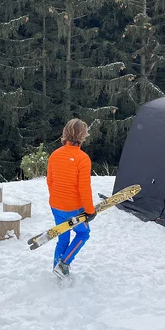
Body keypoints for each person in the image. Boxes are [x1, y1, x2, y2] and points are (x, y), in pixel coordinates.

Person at [46, 118, 97, 278]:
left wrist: (57, 199)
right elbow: (84, 188)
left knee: (63, 239)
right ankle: (64, 263)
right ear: (83, 136)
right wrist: (90, 211)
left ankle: (57, 269)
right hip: (74, 209)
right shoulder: (82, 158)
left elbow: (50, 181)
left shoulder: (55, 155)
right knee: (83, 234)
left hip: (56, 205)